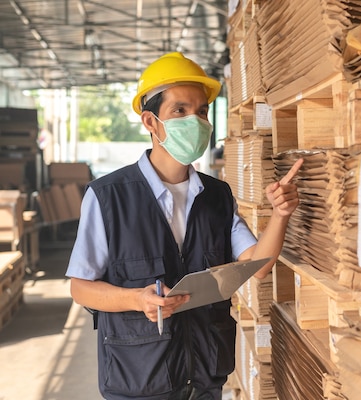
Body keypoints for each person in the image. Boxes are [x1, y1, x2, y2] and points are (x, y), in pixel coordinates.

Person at [66, 52, 303, 400]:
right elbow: (80, 287)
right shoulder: (107, 197)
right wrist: (135, 299)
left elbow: (259, 266)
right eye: (180, 110)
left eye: (202, 111)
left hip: (204, 377)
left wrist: (281, 214)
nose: (196, 120)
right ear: (150, 121)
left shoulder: (217, 195)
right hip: (139, 377)